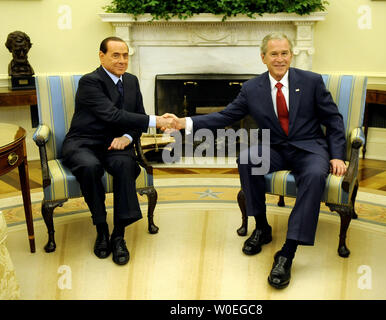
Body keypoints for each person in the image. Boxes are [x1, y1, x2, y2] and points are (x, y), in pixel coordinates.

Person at [164, 32, 347, 289]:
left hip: (309, 148)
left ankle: (287, 252)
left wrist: (337, 154)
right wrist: (184, 122)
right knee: (248, 159)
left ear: (291, 55)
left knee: (316, 175)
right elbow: (224, 116)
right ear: (263, 57)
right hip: (274, 148)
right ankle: (261, 227)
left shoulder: (312, 81)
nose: (280, 59)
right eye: (274, 54)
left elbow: (333, 120)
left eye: (284, 53)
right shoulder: (251, 88)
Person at [62, 36, 175, 266]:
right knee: (89, 167)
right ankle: (101, 228)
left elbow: (136, 118)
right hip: (84, 141)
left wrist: (126, 137)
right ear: (101, 56)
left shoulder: (131, 81)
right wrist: (157, 120)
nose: (122, 60)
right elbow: (112, 114)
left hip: (115, 143)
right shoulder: (90, 82)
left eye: (125, 55)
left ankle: (118, 235)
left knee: (125, 165)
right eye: (116, 55)